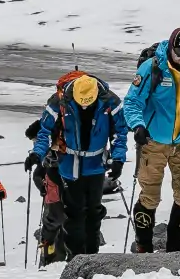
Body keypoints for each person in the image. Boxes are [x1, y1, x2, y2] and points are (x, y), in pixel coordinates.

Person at [124, 28, 180, 253]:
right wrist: (138, 126)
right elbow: (132, 102)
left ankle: (176, 245)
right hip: (153, 143)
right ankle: (144, 244)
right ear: (171, 47)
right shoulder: (153, 68)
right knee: (150, 195)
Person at [29, 70, 128, 258]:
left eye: (88, 102)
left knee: (94, 211)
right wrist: (37, 154)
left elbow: (120, 133)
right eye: (81, 101)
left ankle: (92, 254)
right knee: (74, 213)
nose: (84, 106)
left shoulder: (110, 101)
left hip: (96, 164)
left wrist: (118, 159)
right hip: (69, 164)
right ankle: (75, 257)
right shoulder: (60, 101)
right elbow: (44, 131)